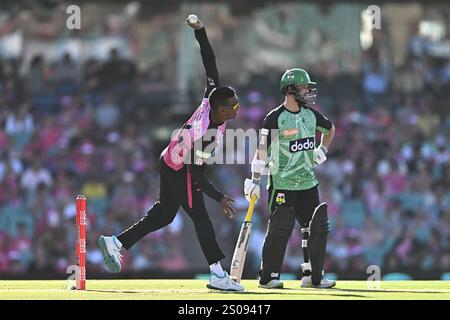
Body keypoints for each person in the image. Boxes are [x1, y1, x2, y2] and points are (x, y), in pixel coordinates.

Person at [98, 16, 243, 292]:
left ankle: (115, 242)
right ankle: (217, 275)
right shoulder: (207, 133)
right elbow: (196, 172)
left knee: (165, 215)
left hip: (169, 159)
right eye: (233, 106)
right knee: (200, 216)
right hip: (181, 167)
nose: (237, 108)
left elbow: (209, 60)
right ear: (222, 110)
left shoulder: (212, 97)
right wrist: (220, 197)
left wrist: (201, 31)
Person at [244, 68, 336, 289]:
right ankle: (268, 277)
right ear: (291, 89)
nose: (308, 91)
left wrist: (322, 149)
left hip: (307, 183)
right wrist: (255, 180)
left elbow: (330, 129)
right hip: (282, 183)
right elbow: (262, 151)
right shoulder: (275, 118)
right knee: (280, 228)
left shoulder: (311, 115)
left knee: (315, 228)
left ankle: (313, 276)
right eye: (304, 87)